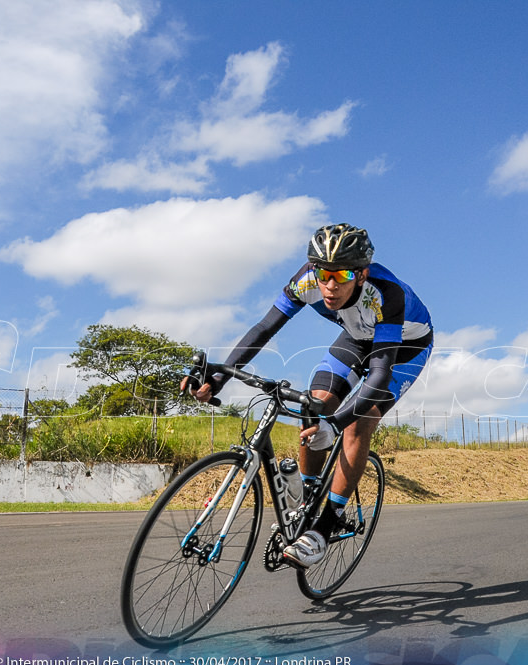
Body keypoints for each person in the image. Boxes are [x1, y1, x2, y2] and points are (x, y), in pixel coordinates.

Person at [184, 224, 433, 567]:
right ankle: (306, 494)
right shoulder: (306, 281)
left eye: (342, 275)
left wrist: (337, 423)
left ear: (361, 274)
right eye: (323, 273)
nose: (330, 286)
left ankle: (324, 527)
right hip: (356, 337)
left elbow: (379, 374)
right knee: (312, 401)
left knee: (358, 425)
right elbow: (264, 327)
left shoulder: (386, 294)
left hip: (403, 349)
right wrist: (220, 375)